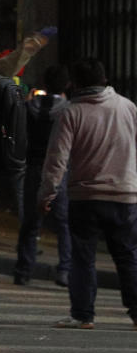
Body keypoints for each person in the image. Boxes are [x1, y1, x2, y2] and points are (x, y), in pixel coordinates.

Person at [38, 58, 137, 330]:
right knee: (127, 256)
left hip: (85, 197)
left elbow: (57, 159)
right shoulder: (129, 108)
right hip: (125, 196)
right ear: (105, 79)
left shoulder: (71, 113)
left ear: (75, 83)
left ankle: (83, 315)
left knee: (83, 258)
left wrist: (47, 193)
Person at [14, 65, 72, 287]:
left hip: (34, 167)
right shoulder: (68, 110)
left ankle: (23, 270)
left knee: (31, 221)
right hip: (60, 169)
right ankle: (64, 270)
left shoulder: (30, 108)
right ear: (67, 85)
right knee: (63, 223)